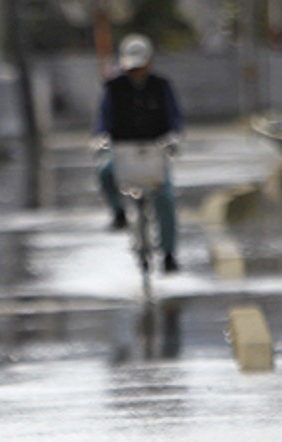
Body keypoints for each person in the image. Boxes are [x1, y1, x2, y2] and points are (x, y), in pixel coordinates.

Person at [95, 33, 184, 272]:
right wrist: (101, 138)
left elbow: (174, 117)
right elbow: (104, 119)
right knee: (105, 172)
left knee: (164, 197)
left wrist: (174, 137)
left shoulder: (161, 86)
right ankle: (118, 213)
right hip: (124, 151)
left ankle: (168, 254)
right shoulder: (114, 88)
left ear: (150, 62)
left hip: (155, 151)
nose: (136, 72)